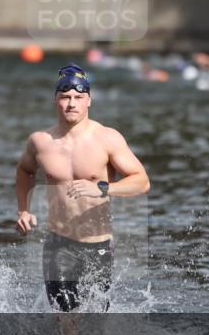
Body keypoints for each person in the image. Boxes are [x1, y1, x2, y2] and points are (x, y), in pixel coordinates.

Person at [16, 64, 150, 312]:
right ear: (55, 100)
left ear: (89, 100)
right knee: (67, 318)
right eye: (65, 97)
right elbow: (25, 171)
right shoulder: (40, 141)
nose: (71, 104)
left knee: (96, 319)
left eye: (78, 97)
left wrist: (103, 188)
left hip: (98, 245)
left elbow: (142, 181)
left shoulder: (107, 138)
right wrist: (23, 210)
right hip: (58, 244)